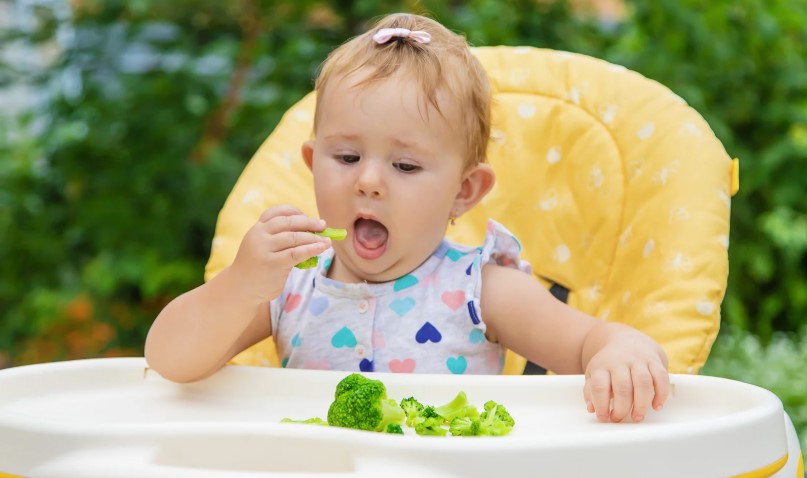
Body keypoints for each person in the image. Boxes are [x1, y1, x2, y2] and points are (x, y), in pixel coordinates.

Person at [145, 12, 670, 424]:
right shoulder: (291, 287)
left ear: (464, 192)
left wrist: (620, 350)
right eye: (346, 158)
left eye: (406, 165)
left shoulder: (481, 289)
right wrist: (239, 286)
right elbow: (170, 362)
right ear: (312, 165)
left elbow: (586, 342)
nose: (368, 181)